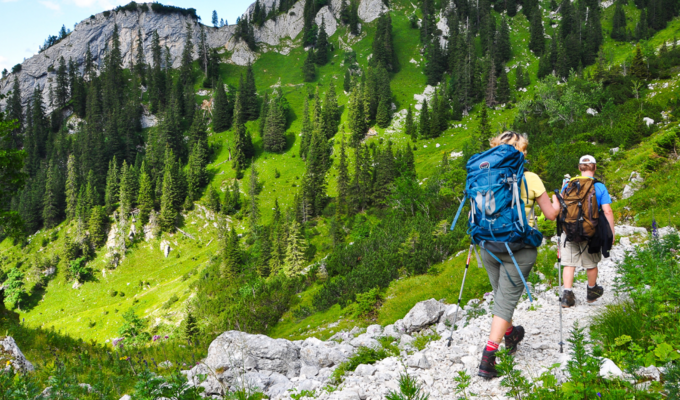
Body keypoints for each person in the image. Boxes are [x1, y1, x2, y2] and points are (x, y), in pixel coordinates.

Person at [478, 132, 560, 379]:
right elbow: (551, 215)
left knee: (502, 297)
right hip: (518, 249)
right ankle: (488, 359)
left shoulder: (484, 176)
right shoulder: (531, 178)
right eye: (524, 150)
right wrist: (557, 201)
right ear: (520, 152)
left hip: (488, 245)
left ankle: (511, 334)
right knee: (505, 301)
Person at [560, 155, 615, 307]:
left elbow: (561, 207)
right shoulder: (599, 186)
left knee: (569, 263)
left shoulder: (568, 185)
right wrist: (611, 232)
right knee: (591, 263)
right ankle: (591, 292)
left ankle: (567, 295)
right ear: (595, 167)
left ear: (579, 168)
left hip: (570, 230)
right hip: (591, 231)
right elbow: (608, 211)